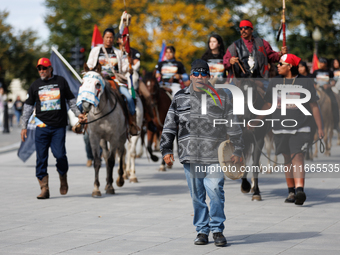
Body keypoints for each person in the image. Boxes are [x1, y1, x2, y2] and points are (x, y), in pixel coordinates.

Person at [160, 59, 244, 246]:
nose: (199, 77)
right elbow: (169, 125)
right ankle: (202, 230)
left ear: (209, 76)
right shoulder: (180, 97)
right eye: (195, 73)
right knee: (197, 196)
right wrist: (166, 148)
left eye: (203, 73)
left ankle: (217, 229)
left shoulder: (222, 97)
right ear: (190, 76)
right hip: (191, 156)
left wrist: (238, 149)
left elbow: (234, 124)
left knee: (215, 190)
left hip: (215, 156)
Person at [252, 54, 324, 205]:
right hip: (279, 128)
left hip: (301, 126)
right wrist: (256, 120)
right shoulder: (275, 82)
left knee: (297, 156)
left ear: (290, 66)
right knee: (287, 159)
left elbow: (314, 106)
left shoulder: (305, 82)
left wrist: (320, 127)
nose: (277, 66)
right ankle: (291, 191)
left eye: (280, 64)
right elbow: (268, 104)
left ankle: (299, 190)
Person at [20, 58, 86, 199]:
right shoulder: (35, 85)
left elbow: (71, 101)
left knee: (60, 155)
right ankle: (44, 188)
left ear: (51, 68)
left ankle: (63, 176)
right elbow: (28, 107)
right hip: (41, 127)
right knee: (41, 159)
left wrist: (79, 114)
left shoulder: (61, 81)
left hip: (58, 127)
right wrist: (23, 126)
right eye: (39, 69)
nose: (42, 71)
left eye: (44, 68)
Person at [87, 27, 138, 135]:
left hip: (115, 82)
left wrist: (129, 68)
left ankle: (132, 122)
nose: (109, 39)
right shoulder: (95, 51)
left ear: (113, 39)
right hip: (99, 82)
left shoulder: (118, 52)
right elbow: (89, 65)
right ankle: (83, 120)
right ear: (103, 38)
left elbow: (124, 68)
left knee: (129, 98)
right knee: (86, 95)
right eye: (107, 37)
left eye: (111, 37)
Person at [223, 20, 288, 79]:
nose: (243, 30)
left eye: (245, 28)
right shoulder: (234, 46)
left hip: (261, 78)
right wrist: (230, 61)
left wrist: (281, 53)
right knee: (225, 91)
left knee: (269, 91)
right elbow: (225, 62)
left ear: (251, 30)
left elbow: (271, 57)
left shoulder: (262, 43)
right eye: (241, 28)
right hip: (240, 81)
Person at [312, 57, 339, 131]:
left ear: (326, 63)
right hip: (317, 90)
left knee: (334, 103)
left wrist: (328, 85)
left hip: (327, 91)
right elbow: (312, 82)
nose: (321, 64)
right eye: (320, 62)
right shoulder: (315, 72)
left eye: (322, 62)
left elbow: (333, 83)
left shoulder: (329, 72)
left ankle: (336, 123)